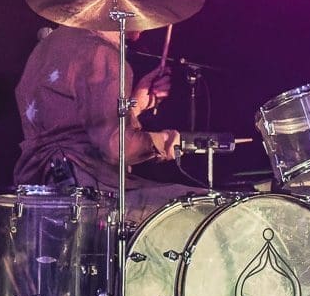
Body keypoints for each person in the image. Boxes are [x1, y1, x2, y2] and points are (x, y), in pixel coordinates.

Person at [14, 24, 188, 224]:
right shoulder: (102, 53)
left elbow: (73, 122)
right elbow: (116, 147)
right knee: (200, 208)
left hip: (41, 187)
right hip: (87, 190)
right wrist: (162, 142)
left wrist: (135, 105)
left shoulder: (49, 46)